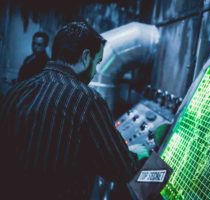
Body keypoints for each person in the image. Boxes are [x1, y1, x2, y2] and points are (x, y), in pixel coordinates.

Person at [0, 22, 147, 200]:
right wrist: (136, 153)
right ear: (86, 57)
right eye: (97, 62)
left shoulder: (17, 91)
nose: (94, 72)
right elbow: (121, 169)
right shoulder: (86, 100)